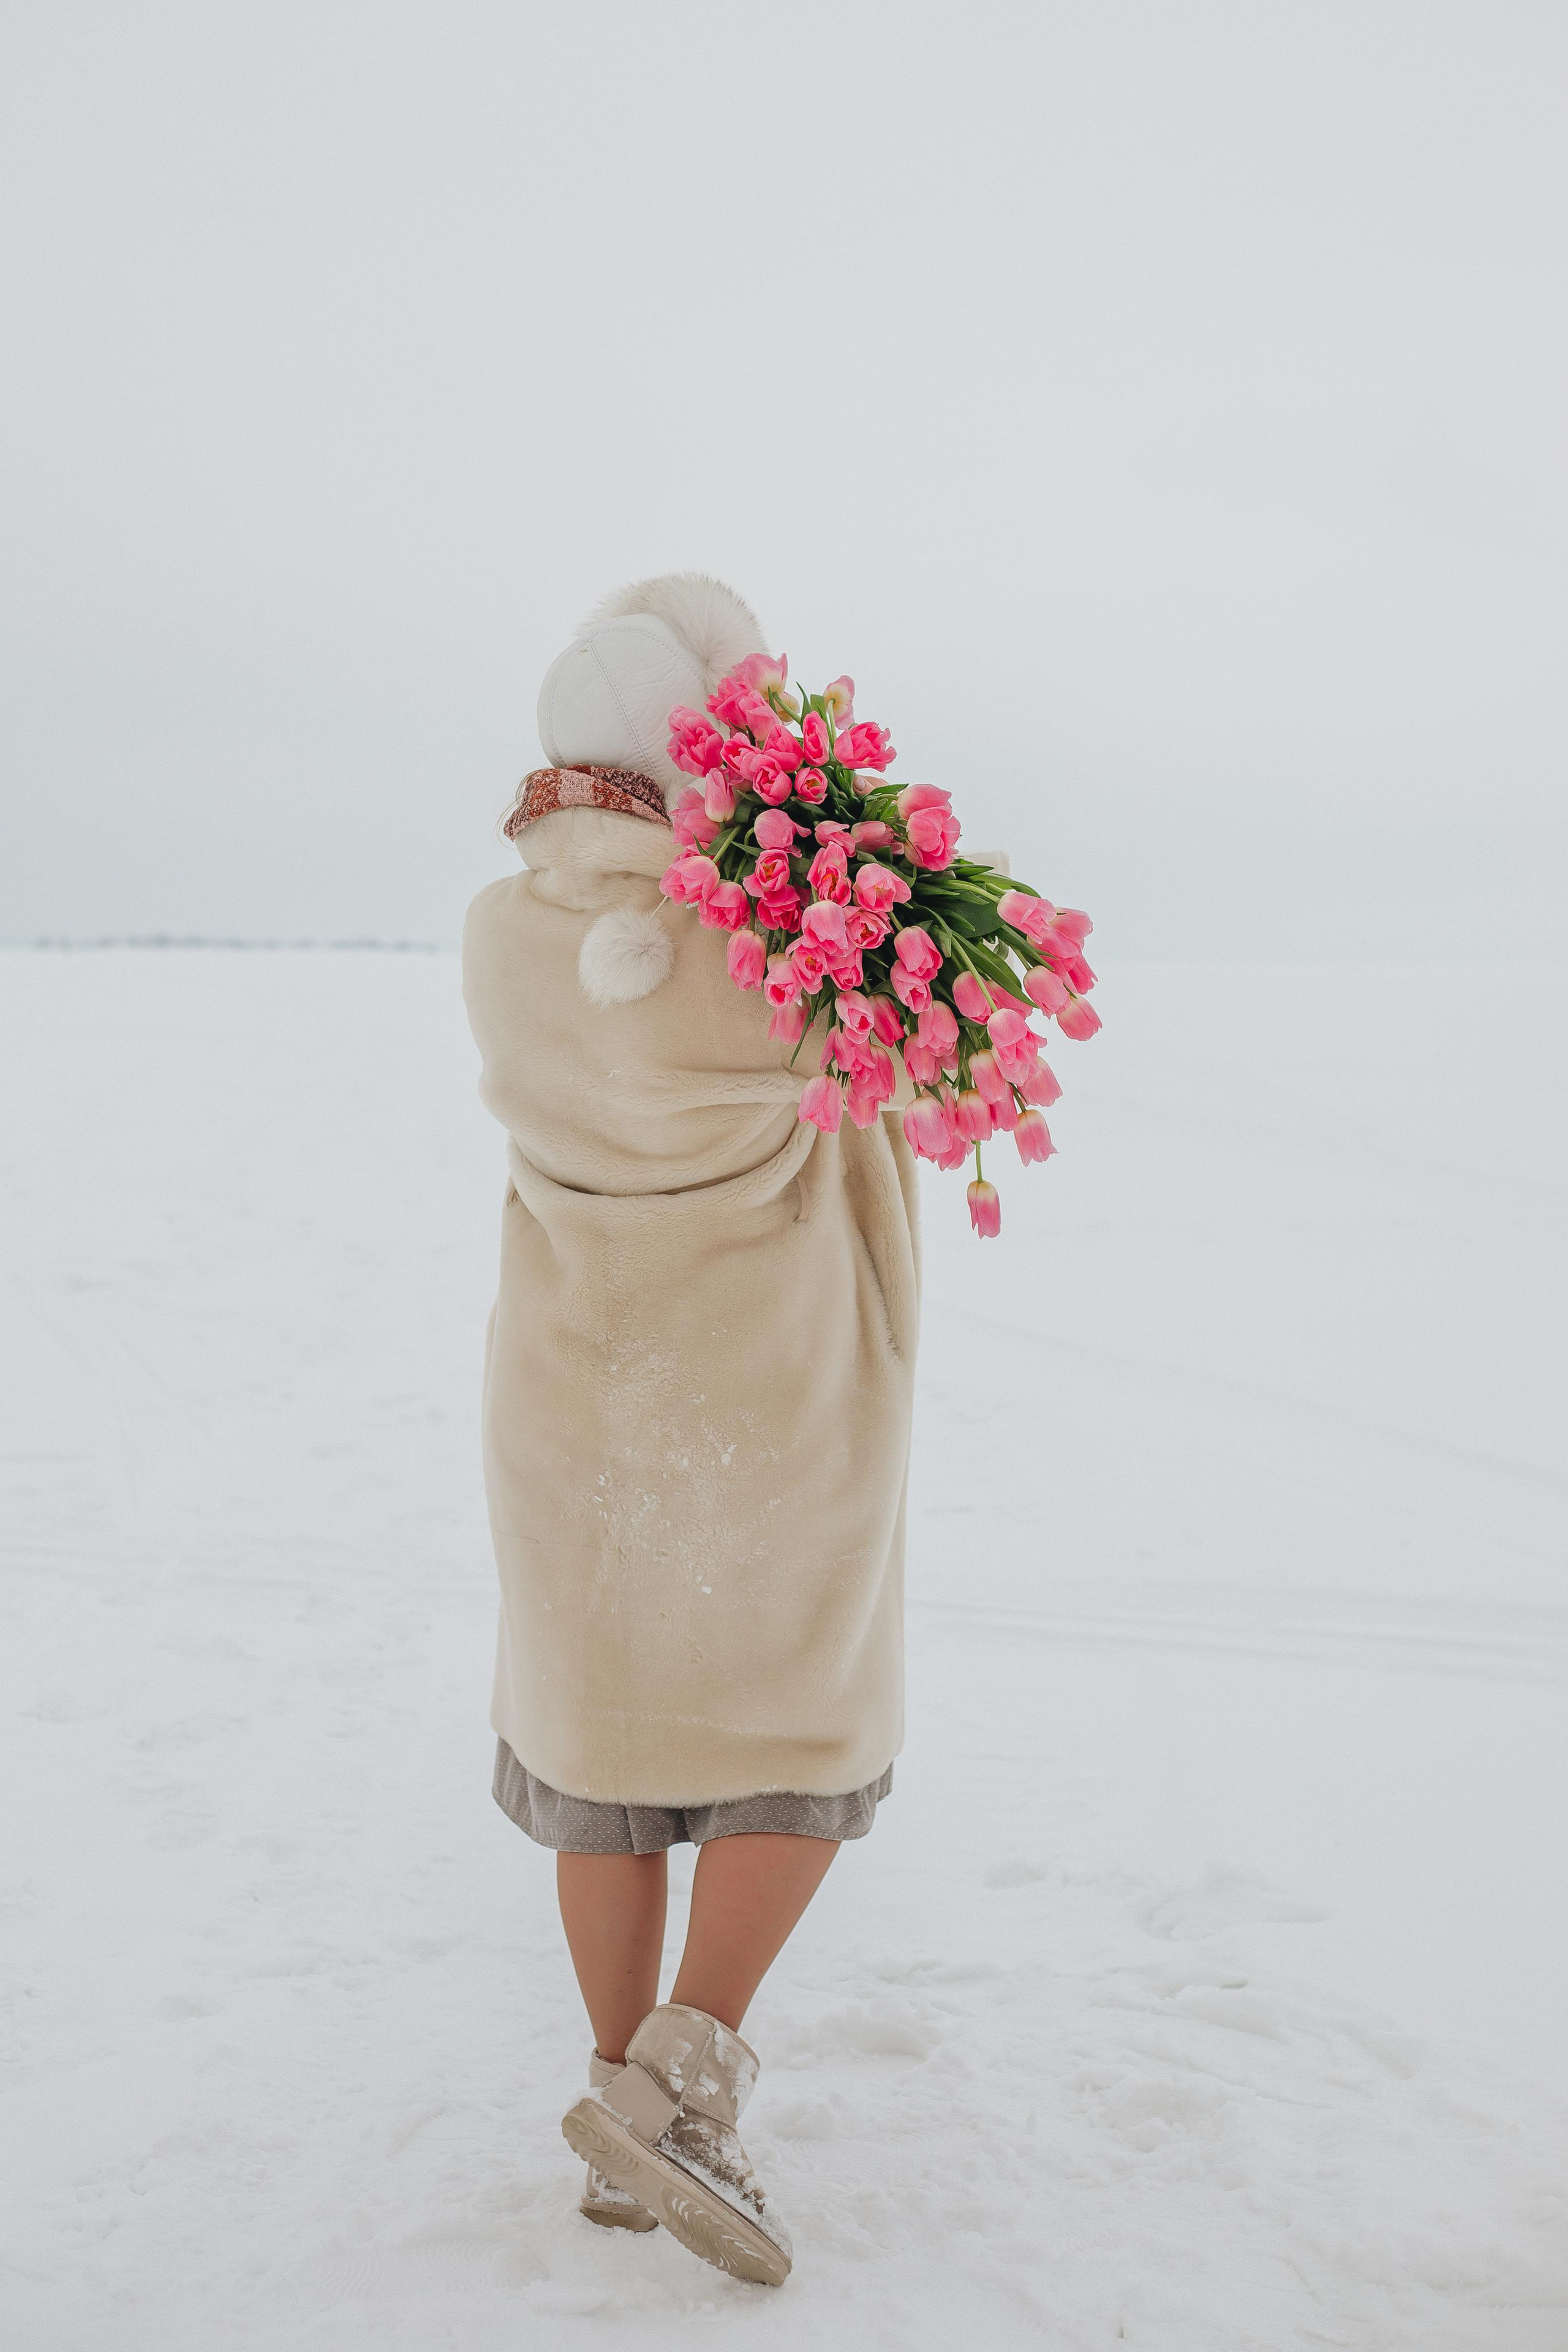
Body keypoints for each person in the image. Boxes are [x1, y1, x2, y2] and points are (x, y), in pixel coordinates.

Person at [461, 574, 919, 2286]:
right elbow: (932, 1070)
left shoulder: (498, 936)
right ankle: (681, 2083)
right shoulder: (778, 941)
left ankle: (612, 2101)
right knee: (795, 1737)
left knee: (603, 1761)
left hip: (574, 1387)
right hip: (770, 1401)